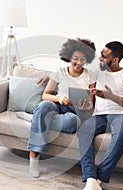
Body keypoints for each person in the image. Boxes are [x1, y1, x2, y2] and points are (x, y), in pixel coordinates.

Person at [77, 41, 123, 190]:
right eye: (101, 54)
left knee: (122, 132)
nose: (100, 58)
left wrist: (111, 96)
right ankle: (91, 179)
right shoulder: (97, 73)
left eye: (104, 56)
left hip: (122, 115)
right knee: (84, 129)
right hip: (100, 115)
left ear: (115, 60)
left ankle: (99, 179)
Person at [28, 38, 96, 178]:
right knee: (43, 106)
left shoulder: (90, 76)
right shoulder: (59, 72)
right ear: (69, 56)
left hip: (74, 112)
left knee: (73, 122)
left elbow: (91, 103)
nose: (79, 62)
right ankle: (34, 155)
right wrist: (59, 98)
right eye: (75, 58)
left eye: (83, 59)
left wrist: (86, 105)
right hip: (56, 105)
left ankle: (37, 119)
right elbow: (46, 95)